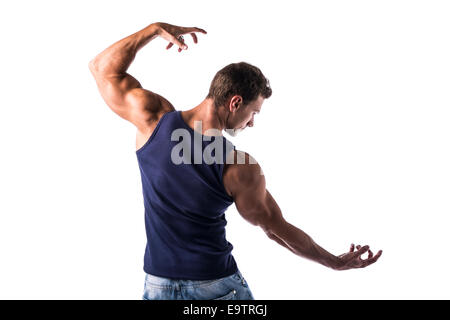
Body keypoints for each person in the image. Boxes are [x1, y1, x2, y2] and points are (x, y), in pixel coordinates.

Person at [89, 21, 382, 300]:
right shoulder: (239, 166)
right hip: (214, 285)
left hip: (157, 284)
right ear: (235, 102)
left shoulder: (152, 119)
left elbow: (102, 69)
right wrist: (333, 262)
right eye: (253, 113)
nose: (251, 123)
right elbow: (275, 228)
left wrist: (153, 30)